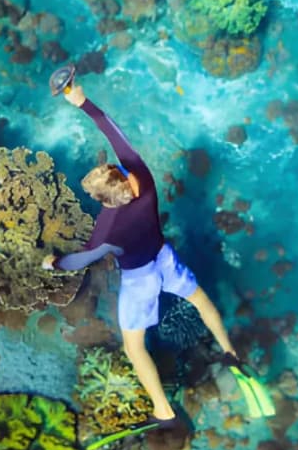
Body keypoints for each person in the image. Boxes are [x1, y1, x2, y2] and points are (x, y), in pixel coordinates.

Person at [43, 82, 238, 428]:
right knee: (202, 300)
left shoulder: (107, 227)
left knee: (135, 347)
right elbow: (113, 132)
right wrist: (83, 102)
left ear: (106, 199)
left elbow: (81, 261)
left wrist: (53, 262)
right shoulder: (142, 178)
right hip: (165, 258)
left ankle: (162, 408)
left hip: (140, 279)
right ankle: (228, 349)